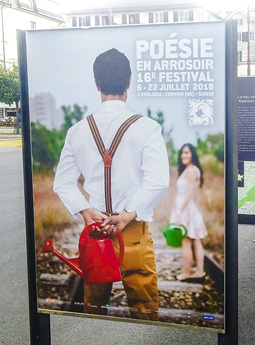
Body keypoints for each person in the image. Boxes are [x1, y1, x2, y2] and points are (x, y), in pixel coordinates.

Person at [53, 48, 169, 321]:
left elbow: (63, 183)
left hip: (96, 233)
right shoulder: (148, 127)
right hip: (133, 232)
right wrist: (128, 214)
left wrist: (85, 210)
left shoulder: (77, 131)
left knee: (94, 310)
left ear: (97, 83)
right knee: (145, 310)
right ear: (129, 81)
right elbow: (158, 180)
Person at [170, 143, 207, 282]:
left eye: (187, 152)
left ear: (192, 154)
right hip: (188, 208)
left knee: (186, 242)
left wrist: (180, 210)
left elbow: (189, 194)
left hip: (186, 210)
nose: (183, 155)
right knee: (196, 241)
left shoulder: (191, 171)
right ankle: (199, 271)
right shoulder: (189, 170)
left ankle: (186, 273)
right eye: (182, 153)